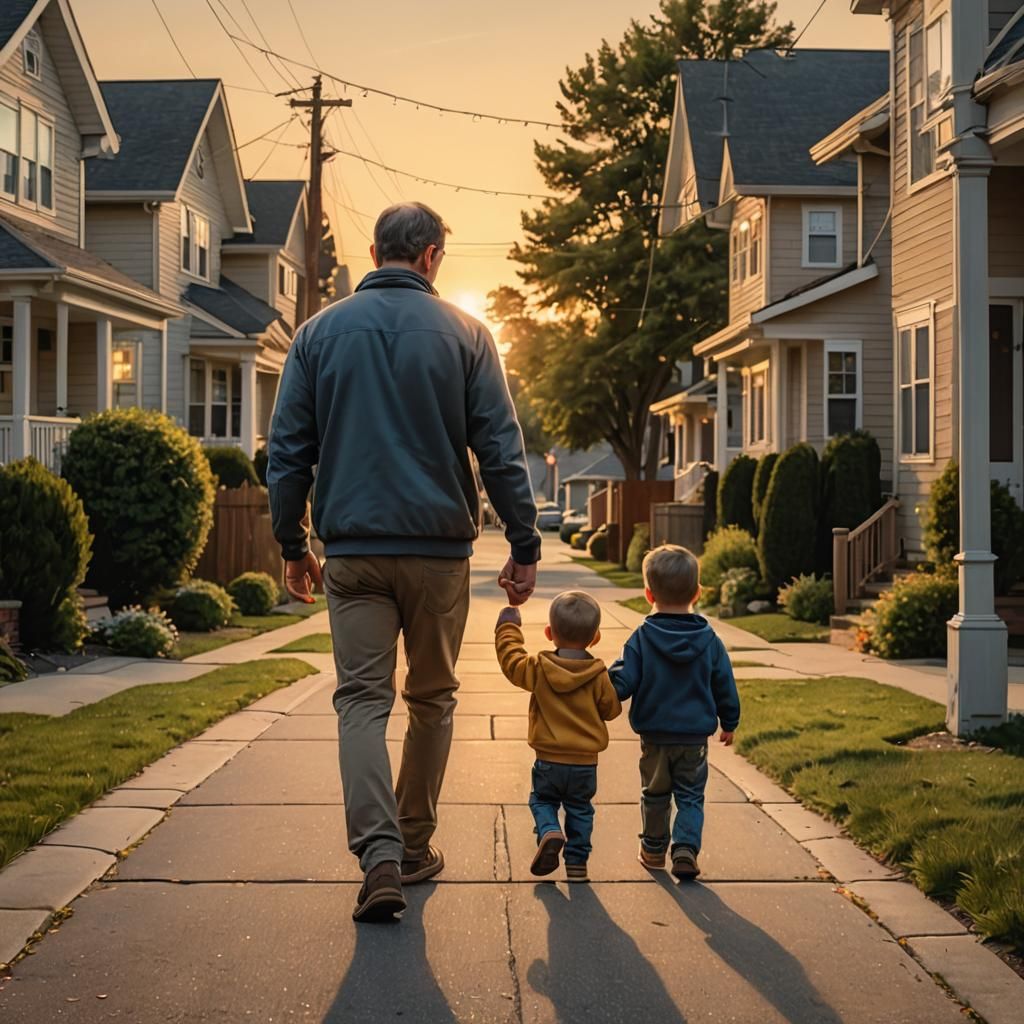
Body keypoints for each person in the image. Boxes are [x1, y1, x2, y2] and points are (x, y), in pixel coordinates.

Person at [267, 202, 541, 923]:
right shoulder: (468, 334)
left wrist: (294, 546)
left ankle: (379, 856)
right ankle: (415, 847)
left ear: (376, 250)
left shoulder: (316, 335)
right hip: (438, 554)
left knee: (361, 702)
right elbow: (501, 451)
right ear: (429, 257)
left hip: (353, 553)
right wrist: (523, 543)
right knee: (432, 699)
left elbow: (287, 451)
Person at [609, 545, 740, 881]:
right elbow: (724, 682)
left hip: (655, 736)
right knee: (691, 797)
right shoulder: (709, 639)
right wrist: (729, 721)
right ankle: (685, 848)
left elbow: (624, 682)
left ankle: (653, 850)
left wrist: (603, 685)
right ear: (697, 592)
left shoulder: (642, 637)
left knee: (654, 794)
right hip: (694, 739)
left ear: (648, 592)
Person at [495, 591, 621, 882]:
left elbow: (512, 663)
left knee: (542, 800)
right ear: (596, 637)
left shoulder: (539, 669)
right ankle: (577, 864)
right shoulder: (598, 674)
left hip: (549, 761)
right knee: (580, 810)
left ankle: (549, 829)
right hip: (585, 765)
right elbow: (611, 710)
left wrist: (508, 628)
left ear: (549, 633)